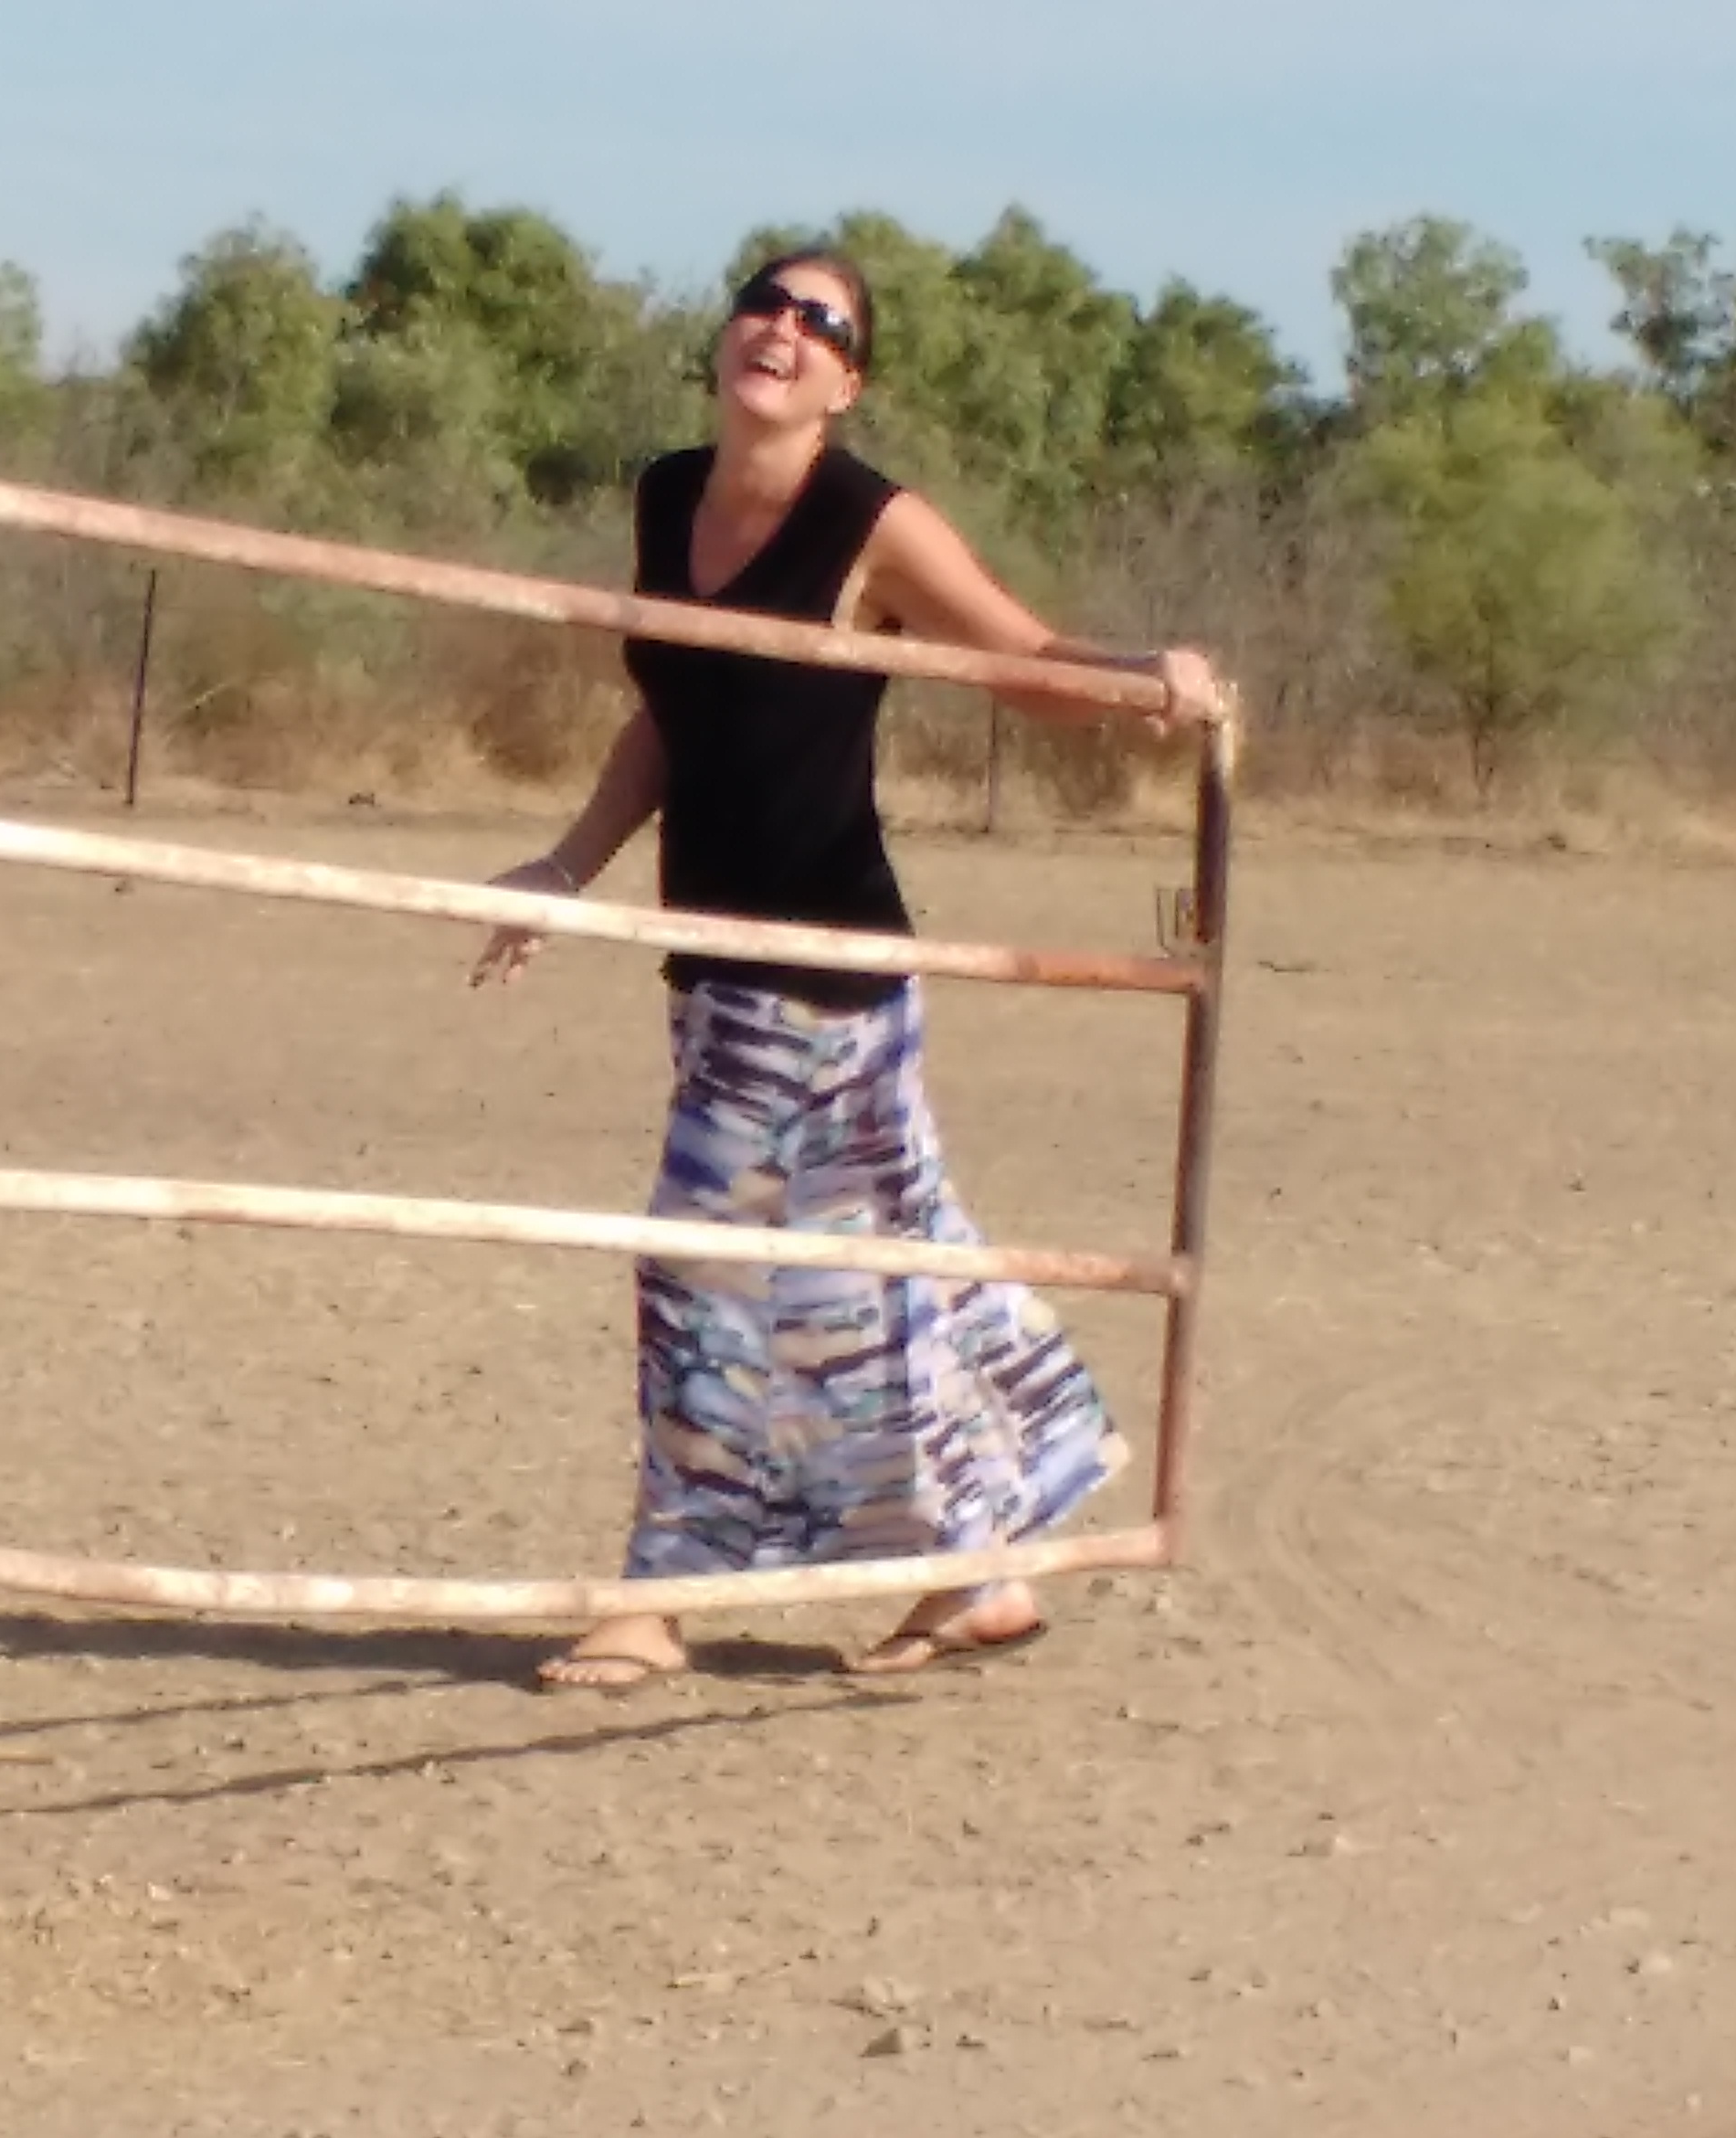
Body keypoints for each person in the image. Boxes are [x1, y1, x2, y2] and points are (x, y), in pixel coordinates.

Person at [467, 249, 1224, 1691]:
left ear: (847, 383)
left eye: (820, 323)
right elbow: (670, 714)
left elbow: (1020, 660)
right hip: (716, 967)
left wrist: (1149, 680)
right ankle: (976, 1576)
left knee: (704, 1266)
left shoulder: (868, 521)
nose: (783, 328)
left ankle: (660, 1593)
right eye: (764, 302)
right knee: (887, 1280)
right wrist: (565, 869)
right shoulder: (666, 497)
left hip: (821, 972)